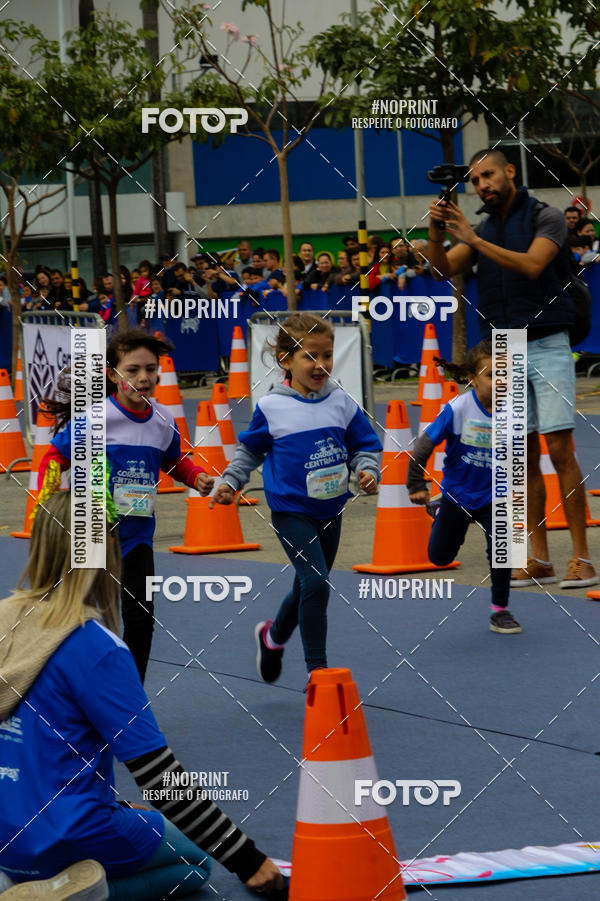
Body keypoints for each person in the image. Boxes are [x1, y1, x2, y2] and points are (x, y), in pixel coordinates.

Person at [0, 490, 284, 899]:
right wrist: (247, 859)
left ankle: (20, 881)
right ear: (105, 554)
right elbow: (159, 777)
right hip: (65, 834)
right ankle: (70, 892)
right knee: (195, 863)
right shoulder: (95, 648)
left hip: (7, 832)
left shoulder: (9, 618)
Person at [427, 148, 598, 589]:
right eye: (475, 180)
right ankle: (538, 558)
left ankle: (582, 557)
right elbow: (441, 269)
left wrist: (473, 238)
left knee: (560, 451)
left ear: (509, 172)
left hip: (548, 344)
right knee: (521, 459)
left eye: (488, 175)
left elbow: (533, 264)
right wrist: (436, 228)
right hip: (503, 347)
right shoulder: (481, 227)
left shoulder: (546, 217)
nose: (482, 184)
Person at [212, 312, 382, 683]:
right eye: (309, 356)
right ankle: (317, 671)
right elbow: (250, 452)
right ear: (286, 360)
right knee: (317, 583)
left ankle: (272, 639)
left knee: (306, 583)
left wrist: (368, 470)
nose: (320, 364)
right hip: (290, 511)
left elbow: (365, 445)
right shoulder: (272, 407)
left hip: (331, 509)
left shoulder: (342, 402)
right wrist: (230, 482)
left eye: (327, 355)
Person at [38, 331, 214, 683]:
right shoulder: (95, 418)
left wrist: (196, 478)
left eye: (151, 369)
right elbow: (55, 456)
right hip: (91, 536)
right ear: (112, 374)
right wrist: (47, 503)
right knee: (84, 620)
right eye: (132, 370)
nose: (143, 378)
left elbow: (173, 461)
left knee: (140, 617)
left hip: (137, 540)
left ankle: (130, 701)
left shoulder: (163, 419)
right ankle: (72, 693)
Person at [407, 341, 520, 633]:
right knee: (440, 557)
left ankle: (500, 609)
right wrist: (416, 483)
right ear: (472, 377)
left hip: (494, 494)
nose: (501, 381)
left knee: (502, 547)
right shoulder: (458, 409)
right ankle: (439, 507)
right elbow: (422, 447)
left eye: (506, 374)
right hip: (458, 493)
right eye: (492, 375)